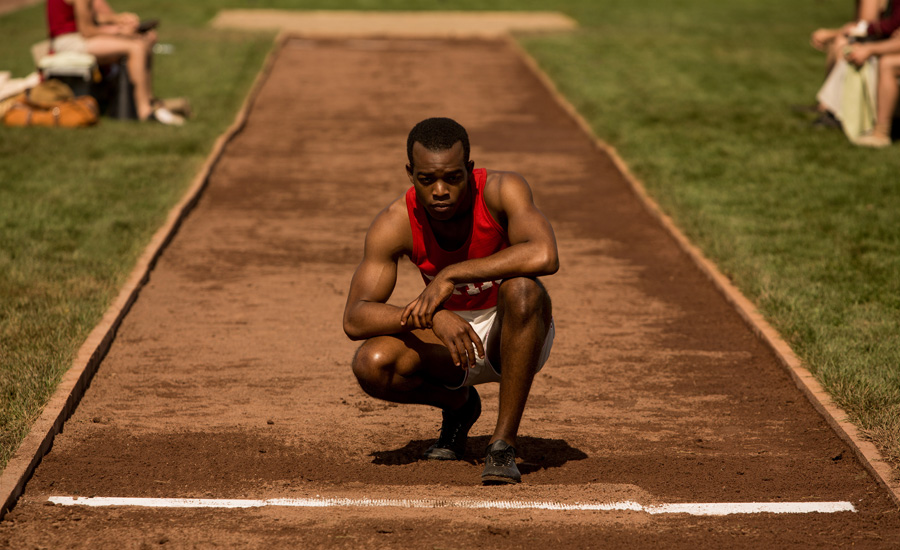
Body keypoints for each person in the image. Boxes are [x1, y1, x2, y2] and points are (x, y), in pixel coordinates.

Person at [343, 117, 558, 485]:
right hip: (448, 343)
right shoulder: (395, 221)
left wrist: (451, 274)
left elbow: (544, 254)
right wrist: (432, 318)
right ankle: (460, 407)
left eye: (452, 178)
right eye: (427, 180)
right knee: (372, 363)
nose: (440, 190)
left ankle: (502, 444)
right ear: (411, 174)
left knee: (523, 289)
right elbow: (356, 318)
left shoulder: (503, 189)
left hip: (514, 330)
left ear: (469, 171)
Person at [46, 0, 183, 124]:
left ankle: (149, 101)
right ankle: (145, 111)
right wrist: (119, 32)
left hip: (75, 37)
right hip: (69, 41)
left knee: (142, 42)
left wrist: (118, 20)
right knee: (136, 48)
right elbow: (87, 30)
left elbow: (92, 16)